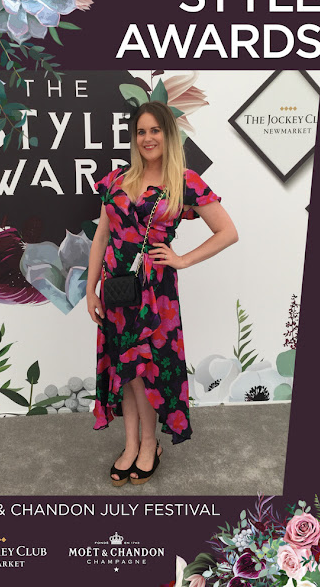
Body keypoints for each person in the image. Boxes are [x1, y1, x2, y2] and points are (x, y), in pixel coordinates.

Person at [86, 100, 238, 487]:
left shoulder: (185, 181)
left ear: (168, 135)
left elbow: (228, 232)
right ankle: (132, 441)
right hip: (117, 287)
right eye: (141, 132)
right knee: (128, 368)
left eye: (155, 130)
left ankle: (150, 443)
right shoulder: (117, 179)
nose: (148, 138)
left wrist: (182, 260)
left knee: (147, 367)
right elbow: (101, 236)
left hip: (156, 291)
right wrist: (90, 290)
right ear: (134, 138)